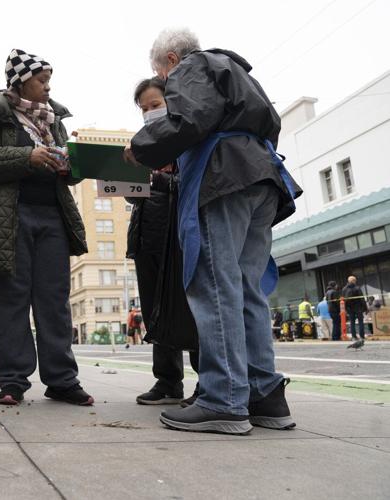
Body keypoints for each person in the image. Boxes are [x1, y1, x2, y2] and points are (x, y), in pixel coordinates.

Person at [130, 28, 301, 434]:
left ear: (171, 61)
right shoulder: (235, 71)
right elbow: (268, 124)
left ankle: (223, 399)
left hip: (221, 179)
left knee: (216, 285)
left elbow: (189, 119)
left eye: (161, 75)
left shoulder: (191, 67)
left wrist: (141, 146)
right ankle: (264, 396)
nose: (167, 85)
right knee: (247, 290)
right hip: (260, 178)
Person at [0, 49, 93, 406]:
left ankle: (62, 380)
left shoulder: (54, 121)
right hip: (8, 220)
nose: (48, 88)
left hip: (52, 218)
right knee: (9, 301)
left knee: (54, 301)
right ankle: (13, 380)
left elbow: (68, 172)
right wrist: (26, 157)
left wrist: (73, 163)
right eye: (42, 80)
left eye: (49, 81)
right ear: (20, 82)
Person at [126, 77, 199, 406]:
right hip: (147, 234)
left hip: (180, 233)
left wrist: (156, 179)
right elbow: (137, 193)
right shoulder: (142, 143)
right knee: (155, 308)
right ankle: (168, 381)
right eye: (144, 109)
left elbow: (192, 180)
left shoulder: (188, 137)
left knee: (191, 306)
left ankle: (207, 380)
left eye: (154, 106)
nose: (149, 114)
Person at [342, 276, 368, 340]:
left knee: (352, 322)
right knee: (360, 321)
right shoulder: (357, 288)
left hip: (349, 308)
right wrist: (365, 308)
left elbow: (343, 299)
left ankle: (354, 337)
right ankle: (362, 336)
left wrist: (345, 308)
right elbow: (362, 299)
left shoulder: (344, 289)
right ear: (354, 281)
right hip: (358, 307)